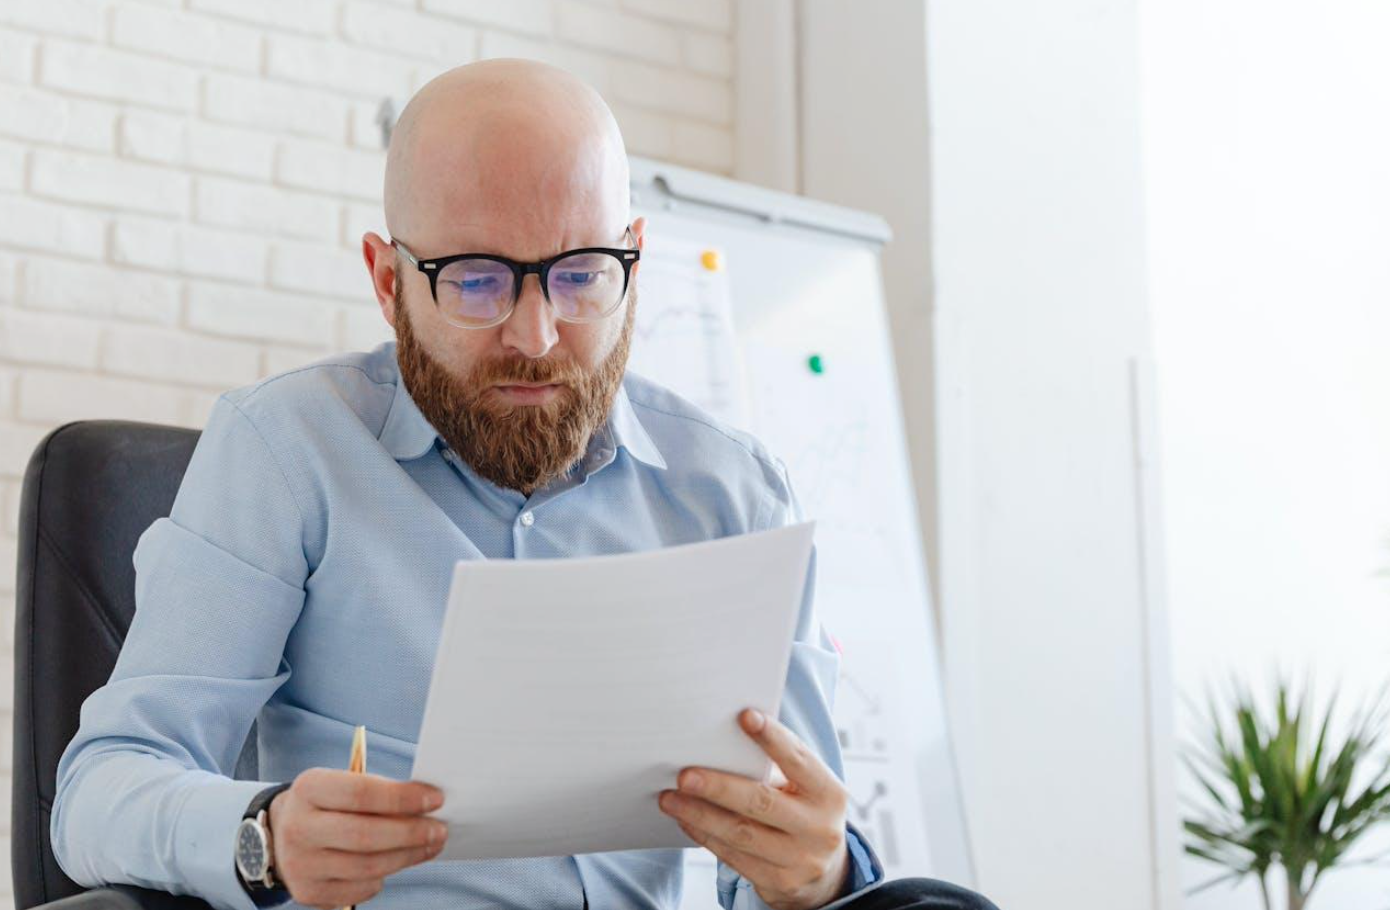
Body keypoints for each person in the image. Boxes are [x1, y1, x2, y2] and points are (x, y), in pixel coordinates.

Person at [50, 59, 997, 910]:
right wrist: (263, 836)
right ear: (389, 282)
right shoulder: (287, 450)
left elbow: (789, 847)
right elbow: (103, 788)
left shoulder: (734, 492)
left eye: (582, 275)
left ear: (634, 256)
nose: (536, 337)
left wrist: (818, 875)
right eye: (475, 281)